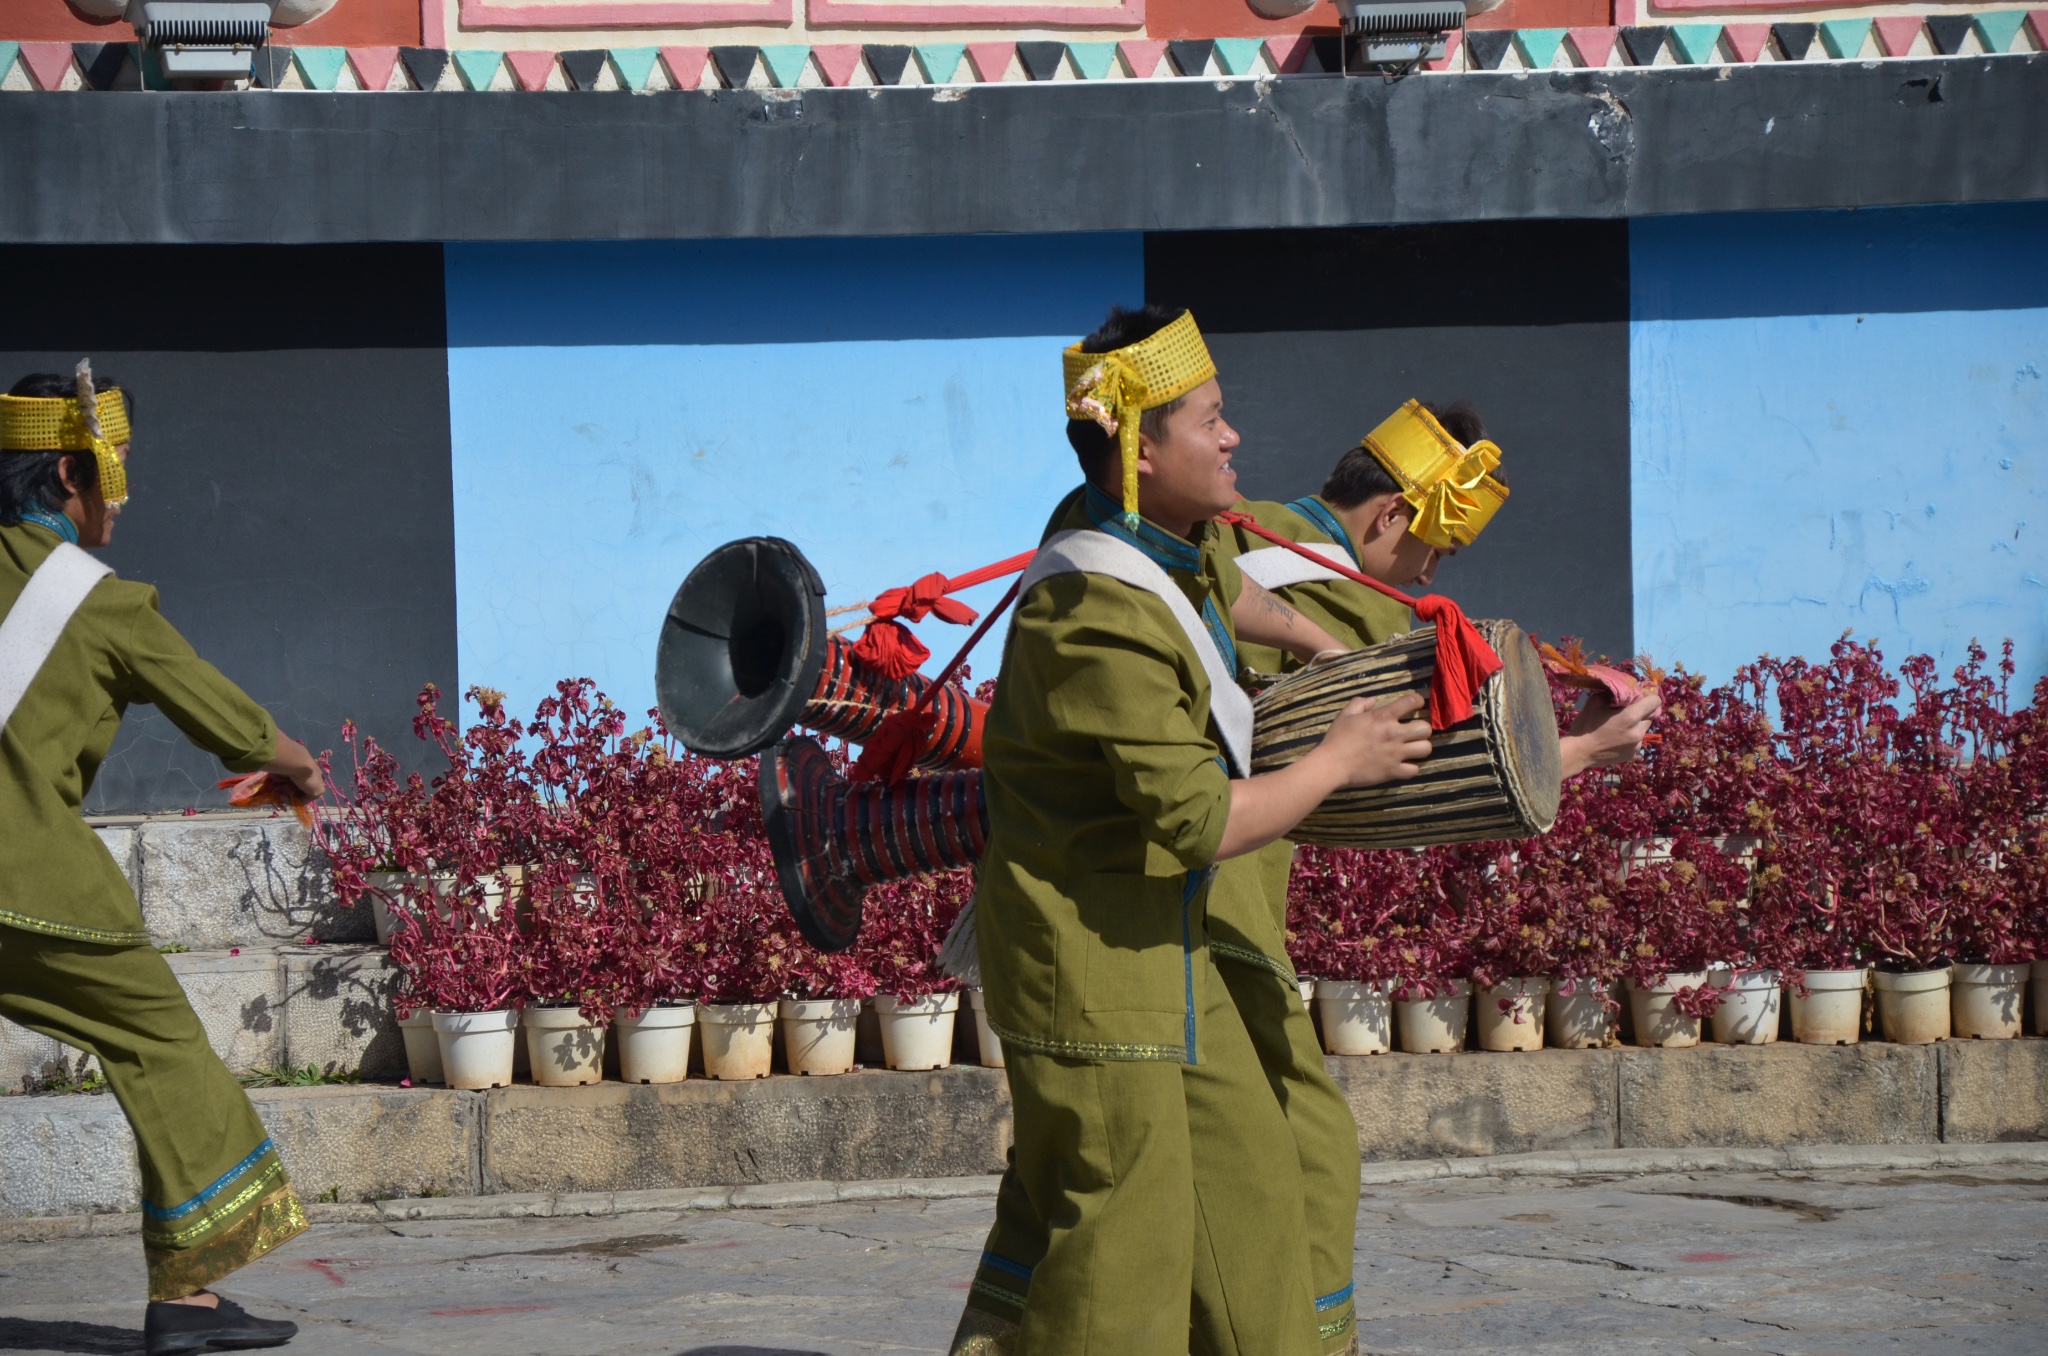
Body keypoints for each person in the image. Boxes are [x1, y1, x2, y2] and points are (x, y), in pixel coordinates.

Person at [948, 306, 1435, 1356]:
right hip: (1088, 962)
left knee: (1260, 1183)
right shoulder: (1092, 609)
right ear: (1138, 447)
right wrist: (1335, 759)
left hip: (1166, 949)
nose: (1233, 440)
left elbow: (1227, 593)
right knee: (1127, 1235)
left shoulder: (1156, 537)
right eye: (1208, 421)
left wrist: (1312, 642)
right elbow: (1200, 819)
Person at [1205, 399, 1660, 1354]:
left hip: (1188, 885)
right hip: (1212, 904)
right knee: (1307, 1147)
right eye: (1436, 557)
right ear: (1391, 519)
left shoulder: (1243, 536)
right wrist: (1575, 752)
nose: (1432, 577)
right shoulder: (1354, 598)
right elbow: (1438, 762)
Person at [0, 364, 322, 1355]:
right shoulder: (103, 604)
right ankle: (184, 1301)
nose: (125, 492)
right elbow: (222, 715)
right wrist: (299, 768)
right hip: (26, 880)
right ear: (69, 473)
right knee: (163, 1046)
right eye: (118, 467)